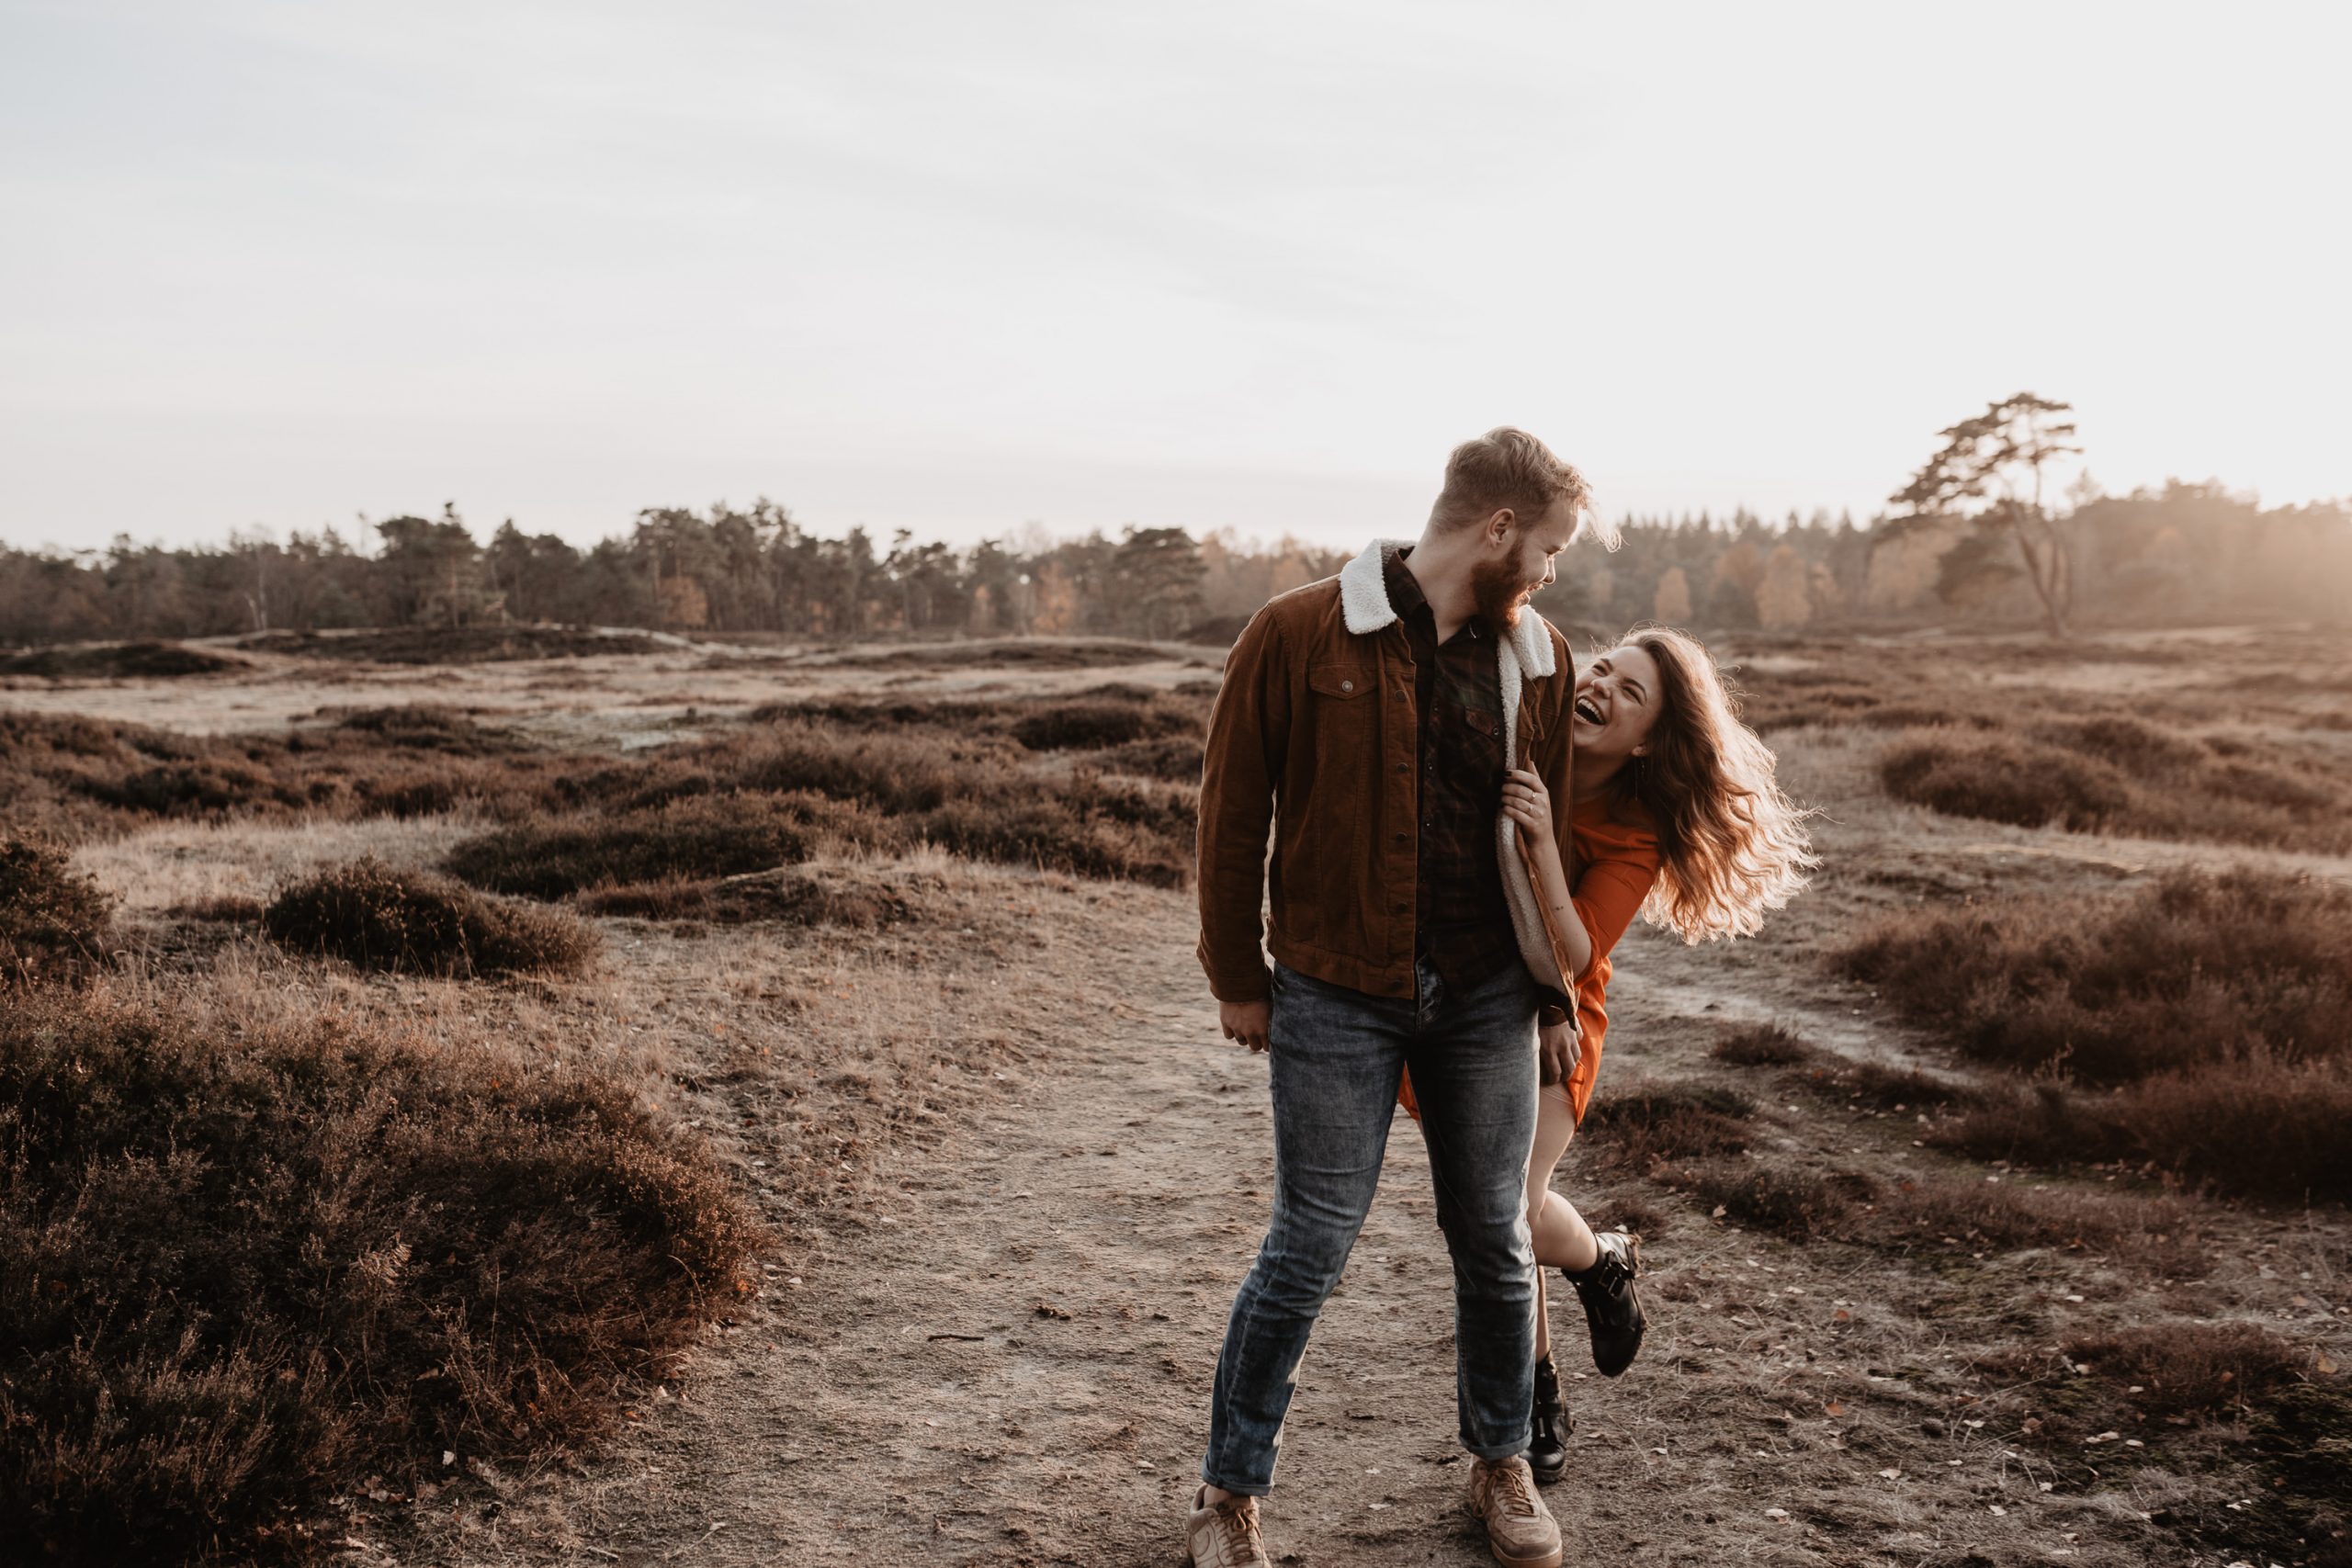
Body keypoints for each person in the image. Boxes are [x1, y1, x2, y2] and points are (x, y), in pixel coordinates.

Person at [1186, 426, 1607, 1568]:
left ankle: (1500, 1463)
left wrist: (1555, 993)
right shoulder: (1295, 630)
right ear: (1499, 529)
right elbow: (1231, 819)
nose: (1554, 572)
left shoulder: (1540, 657)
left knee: (1492, 1237)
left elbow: (1547, 845)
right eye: (1552, 547)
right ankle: (1228, 1495)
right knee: (1308, 1244)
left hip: (1485, 997)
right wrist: (1238, 973)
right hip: (1335, 990)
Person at [1489, 626, 1817, 1481]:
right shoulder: (1524, 740)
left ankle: (1538, 1395)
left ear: (1647, 740)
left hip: (1562, 1011)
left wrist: (1541, 847)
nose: (1602, 687)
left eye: (1632, 693)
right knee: (1499, 1213)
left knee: (1511, 1207)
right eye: (1603, 670)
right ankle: (1603, 1260)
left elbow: (1579, 948)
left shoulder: (1633, 829)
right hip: (1476, 1003)